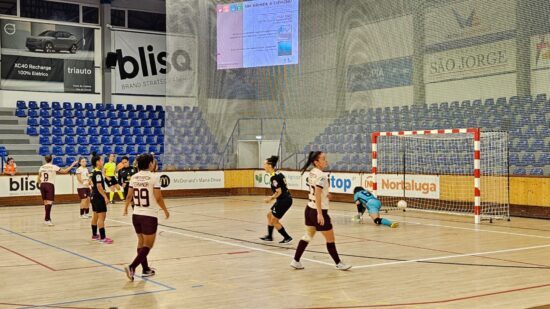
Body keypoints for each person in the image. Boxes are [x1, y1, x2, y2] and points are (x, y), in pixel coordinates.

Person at [291, 151, 351, 271]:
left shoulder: (312, 172)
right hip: (318, 211)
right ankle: (339, 263)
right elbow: (317, 194)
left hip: (309, 209)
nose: (326, 161)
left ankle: (295, 260)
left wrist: (326, 195)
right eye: (323, 159)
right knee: (330, 239)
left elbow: (317, 191)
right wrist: (319, 213)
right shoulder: (322, 175)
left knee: (308, 236)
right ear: (316, 162)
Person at [123, 154, 170, 281]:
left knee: (141, 242)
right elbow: (158, 197)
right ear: (150, 164)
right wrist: (165, 210)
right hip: (149, 216)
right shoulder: (154, 177)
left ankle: (145, 269)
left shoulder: (134, 177)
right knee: (148, 245)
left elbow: (129, 196)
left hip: (136, 214)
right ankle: (132, 267)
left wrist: (126, 208)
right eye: (153, 162)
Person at [259, 155, 293, 244]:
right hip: (283, 199)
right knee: (269, 215)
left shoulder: (274, 177)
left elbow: (279, 192)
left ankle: (287, 237)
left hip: (284, 200)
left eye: (264, 164)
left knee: (274, 220)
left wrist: (270, 198)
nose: (264, 166)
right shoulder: (277, 173)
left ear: (270, 165)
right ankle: (269, 236)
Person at [37, 155, 77, 226]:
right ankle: (47, 219)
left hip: (42, 185)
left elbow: (39, 177)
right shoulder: (53, 166)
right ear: (51, 160)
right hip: (49, 185)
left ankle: (47, 218)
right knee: (49, 203)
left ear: (45, 160)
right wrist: (72, 165)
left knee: (45, 202)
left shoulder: (41, 167)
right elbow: (65, 171)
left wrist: (39, 184)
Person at [90, 153, 113, 244]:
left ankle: (94, 235)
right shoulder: (98, 173)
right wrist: (105, 197)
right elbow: (99, 186)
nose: (103, 162)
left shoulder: (92, 171)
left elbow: (91, 183)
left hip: (93, 195)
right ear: (97, 162)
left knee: (95, 215)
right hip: (98, 196)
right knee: (101, 217)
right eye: (101, 160)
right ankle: (103, 237)